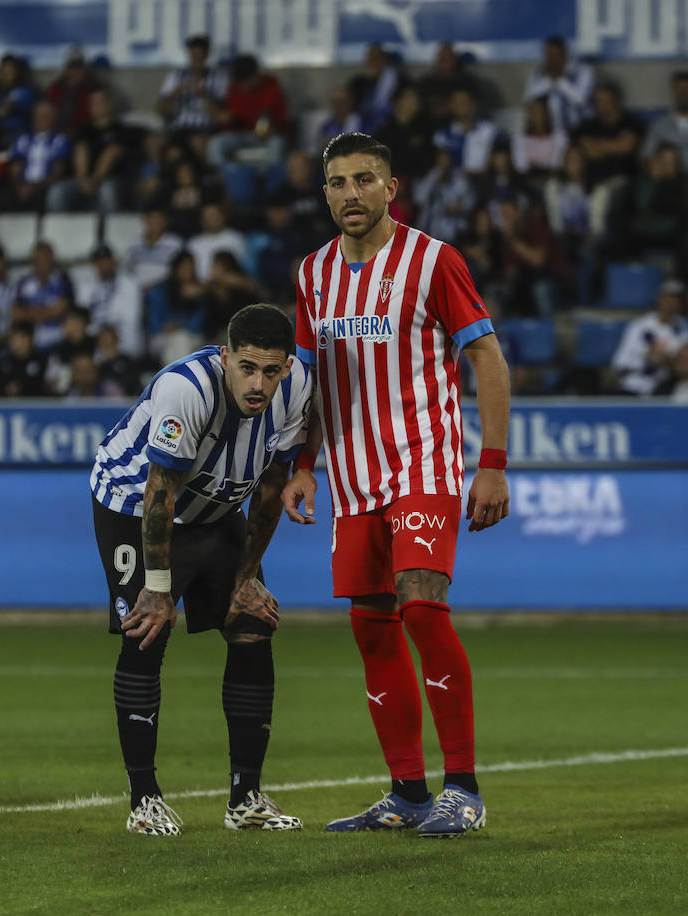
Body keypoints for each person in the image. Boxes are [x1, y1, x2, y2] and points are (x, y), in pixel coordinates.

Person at [283, 132, 511, 837]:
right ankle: (408, 792)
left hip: (422, 463)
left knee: (421, 607)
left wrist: (493, 463)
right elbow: (309, 380)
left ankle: (463, 788)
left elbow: (488, 358)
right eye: (338, 182)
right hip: (352, 478)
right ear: (325, 193)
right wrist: (303, 463)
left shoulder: (434, 260)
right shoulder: (313, 273)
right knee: (371, 626)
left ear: (391, 188)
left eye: (364, 179)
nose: (351, 193)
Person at [91, 304, 309, 836]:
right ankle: (144, 800)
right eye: (247, 368)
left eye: (271, 371)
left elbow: (272, 486)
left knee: (252, 623)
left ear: (287, 366)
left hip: (215, 507)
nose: (258, 384)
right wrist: (158, 588)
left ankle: (246, 799)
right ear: (226, 357)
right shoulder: (185, 389)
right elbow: (159, 492)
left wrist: (246, 577)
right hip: (134, 504)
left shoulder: (299, 386)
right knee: (148, 630)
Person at [612, 281, 688, 395]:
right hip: (633, 386)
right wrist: (647, 357)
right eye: (667, 299)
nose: (671, 304)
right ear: (659, 299)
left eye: (676, 300)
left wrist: (669, 362)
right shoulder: (639, 326)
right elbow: (619, 363)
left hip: (665, 390)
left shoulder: (683, 330)